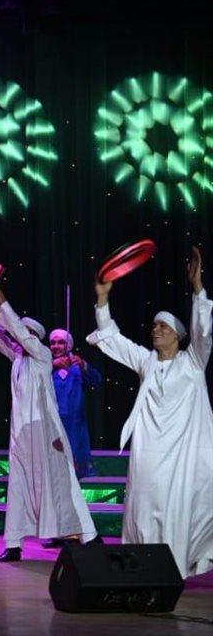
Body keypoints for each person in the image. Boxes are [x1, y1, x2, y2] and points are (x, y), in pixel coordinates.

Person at [86, 247, 213, 579]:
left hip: (182, 454)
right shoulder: (147, 361)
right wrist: (103, 298)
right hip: (148, 450)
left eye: (163, 327)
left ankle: (173, 568)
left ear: (178, 336)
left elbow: (203, 331)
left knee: (176, 508)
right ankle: (140, 564)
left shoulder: (193, 363)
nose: (155, 330)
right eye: (154, 325)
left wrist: (197, 287)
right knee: (142, 507)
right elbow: (113, 339)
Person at [0, 275, 96, 562]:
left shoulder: (41, 355)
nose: (16, 338)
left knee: (61, 483)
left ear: (33, 337)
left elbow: (16, 330)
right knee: (18, 487)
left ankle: (89, 536)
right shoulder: (17, 359)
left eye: (24, 334)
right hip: (21, 436)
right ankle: (14, 543)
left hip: (46, 433)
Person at [48, 329, 101, 481]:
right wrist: (51, 365)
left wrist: (84, 365)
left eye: (61, 342)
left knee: (76, 464)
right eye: (53, 343)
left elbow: (96, 380)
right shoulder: (46, 365)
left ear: (69, 345)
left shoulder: (77, 364)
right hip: (53, 421)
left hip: (75, 422)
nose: (56, 346)